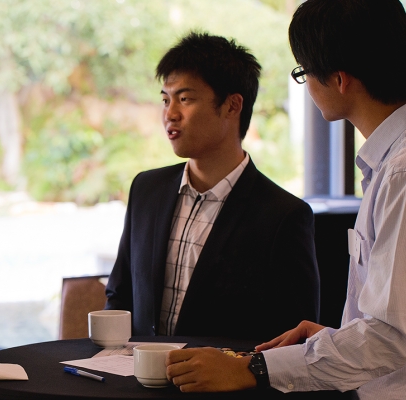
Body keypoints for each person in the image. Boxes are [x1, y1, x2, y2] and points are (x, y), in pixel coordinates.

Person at [165, 1, 406, 399]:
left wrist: (253, 368)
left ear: (340, 79)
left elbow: (393, 338)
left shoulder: (398, 172)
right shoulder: (386, 165)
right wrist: (336, 339)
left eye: (303, 72)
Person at [104, 31, 320, 342]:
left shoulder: (283, 215)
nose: (170, 114)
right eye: (165, 99)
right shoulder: (146, 189)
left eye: (185, 99)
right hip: (135, 383)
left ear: (232, 107)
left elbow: (293, 336)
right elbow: (120, 293)